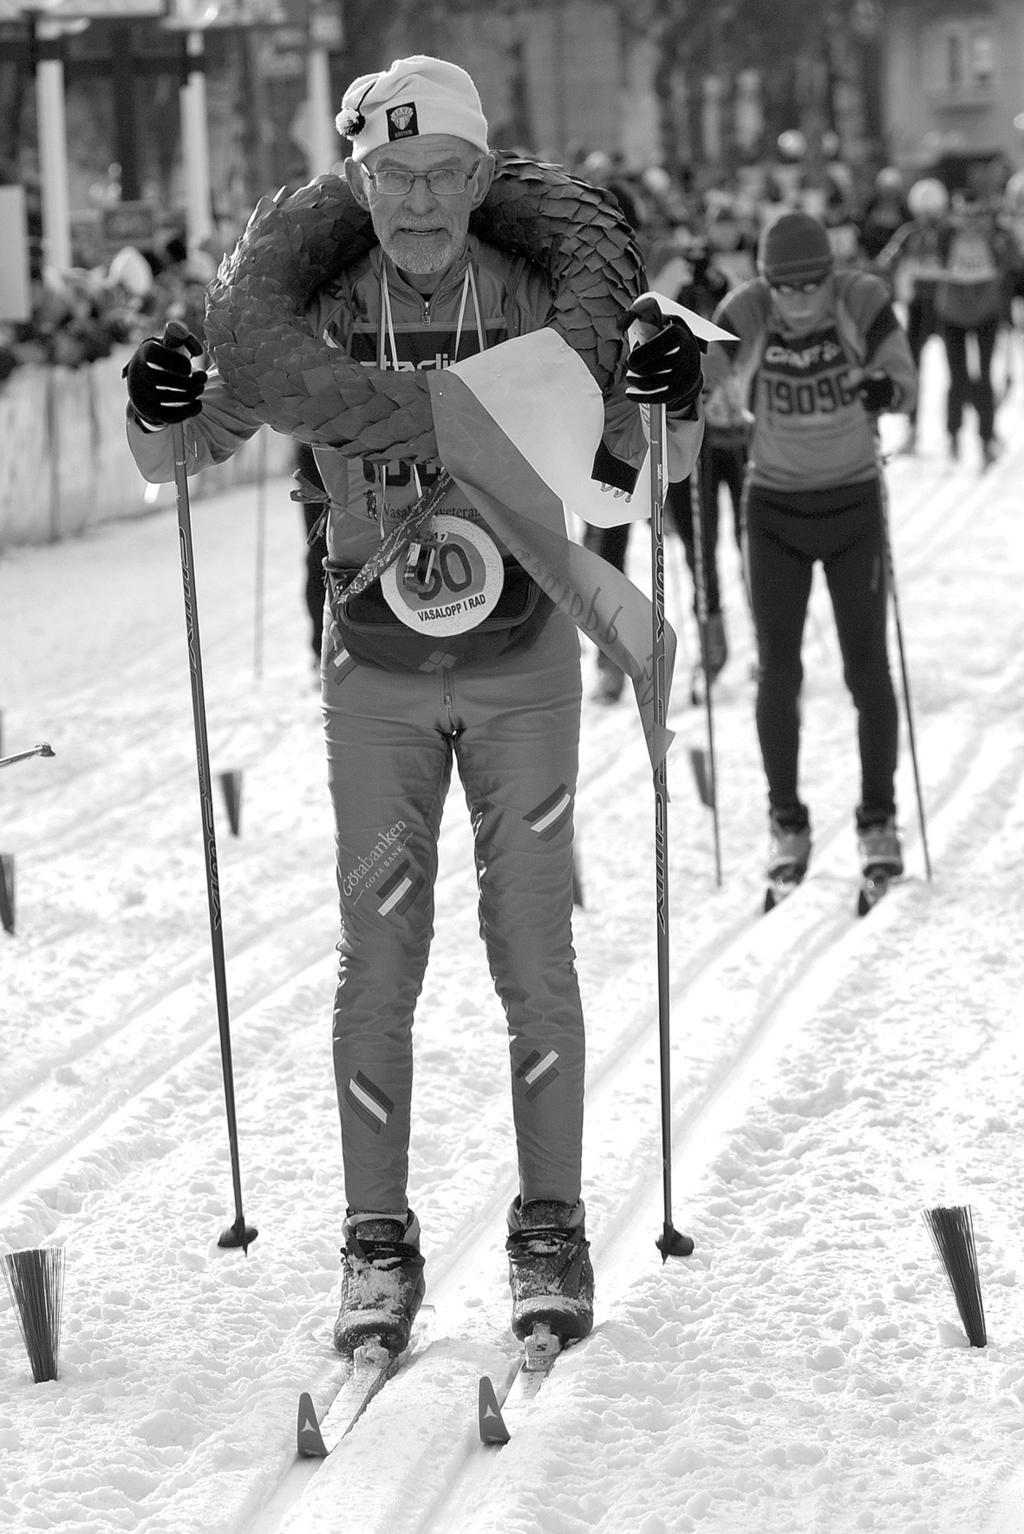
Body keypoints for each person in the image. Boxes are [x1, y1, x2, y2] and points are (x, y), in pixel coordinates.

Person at [121, 56, 703, 1358]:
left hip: (522, 668)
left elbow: (657, 442)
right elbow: (178, 450)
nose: (422, 203)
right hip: (378, 678)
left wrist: (671, 387)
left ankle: (548, 1226)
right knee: (378, 958)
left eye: (446, 173)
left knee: (532, 951)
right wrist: (150, 400)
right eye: (394, 177)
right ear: (358, 183)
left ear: (484, 177)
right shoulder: (315, 306)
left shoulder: (550, 295)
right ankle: (375, 1241)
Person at [701, 210, 917, 892]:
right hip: (775, 512)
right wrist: (692, 388)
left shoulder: (860, 299)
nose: (796, 301)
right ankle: (786, 822)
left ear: (829, 276)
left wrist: (886, 389)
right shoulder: (750, 306)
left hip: (853, 504)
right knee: (779, 672)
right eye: (784, 288)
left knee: (866, 669)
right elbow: (708, 371)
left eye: (808, 287)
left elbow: (901, 375)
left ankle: (877, 820)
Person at [933, 193, 1015, 468]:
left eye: (975, 216)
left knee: (984, 376)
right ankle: (953, 433)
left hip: (985, 313)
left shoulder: (993, 238)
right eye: (963, 216)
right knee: (957, 377)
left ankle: (986, 436)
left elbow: (1010, 265)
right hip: (953, 314)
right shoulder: (946, 237)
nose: (969, 222)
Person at [874, 177, 950, 455]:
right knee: (914, 367)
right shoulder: (911, 233)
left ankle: (957, 430)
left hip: (945, 305)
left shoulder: (947, 233)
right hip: (919, 306)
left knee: (956, 367)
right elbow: (886, 259)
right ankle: (915, 428)